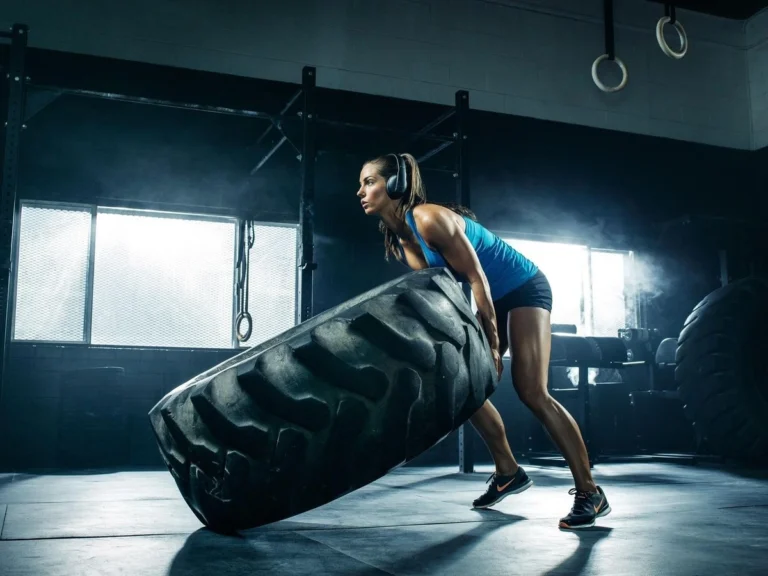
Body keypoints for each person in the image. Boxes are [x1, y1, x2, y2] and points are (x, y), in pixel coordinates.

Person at [356, 152, 611, 530]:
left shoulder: (429, 218)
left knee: (531, 391)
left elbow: (476, 278)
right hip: (489, 298)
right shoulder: (402, 241)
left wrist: (492, 346)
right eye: (361, 183)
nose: (360, 191)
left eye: (369, 181)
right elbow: (447, 293)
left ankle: (590, 491)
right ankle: (508, 471)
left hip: (523, 287)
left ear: (395, 184)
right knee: (464, 386)